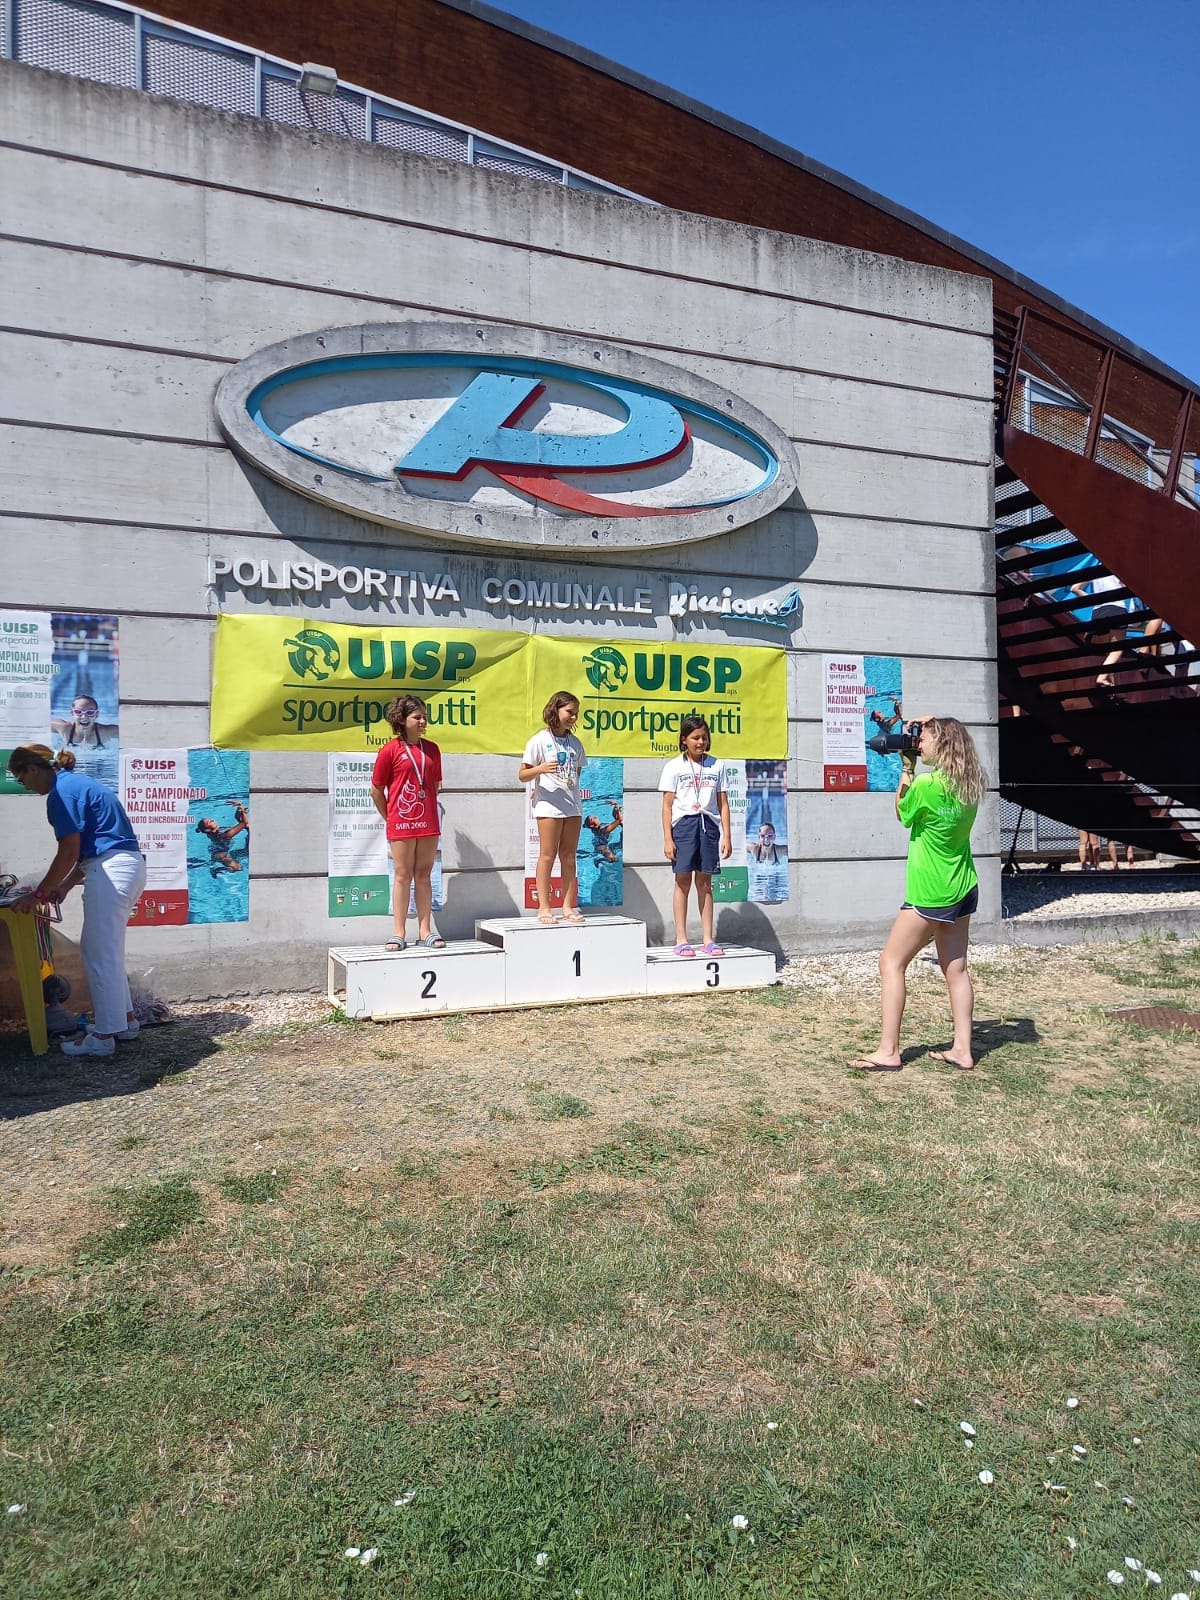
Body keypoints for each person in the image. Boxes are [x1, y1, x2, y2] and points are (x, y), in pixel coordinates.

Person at [848, 717, 987, 1073]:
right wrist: (928, 723)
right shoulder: (969, 784)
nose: (918, 743)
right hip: (963, 885)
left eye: (923, 738)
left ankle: (888, 1051)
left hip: (930, 891)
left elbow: (902, 812)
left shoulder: (925, 785)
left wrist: (907, 770)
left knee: (891, 963)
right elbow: (947, 733)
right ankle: (962, 1049)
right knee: (956, 969)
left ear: (942, 744)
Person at [7, 744, 146, 1057]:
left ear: (33, 768)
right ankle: (125, 1022)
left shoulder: (61, 793)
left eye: (21, 778)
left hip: (110, 871)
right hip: (126, 866)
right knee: (107, 952)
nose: (25, 786)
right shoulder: (79, 784)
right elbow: (90, 848)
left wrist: (38, 894)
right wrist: (65, 886)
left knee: (97, 953)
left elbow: (69, 851)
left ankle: (104, 1036)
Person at [370, 695, 444, 951]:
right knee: (402, 875)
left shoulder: (432, 749)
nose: (423, 721)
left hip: (428, 821)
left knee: (424, 875)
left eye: (425, 717)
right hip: (401, 823)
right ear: (402, 720)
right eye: (417, 717)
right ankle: (398, 932)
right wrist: (390, 817)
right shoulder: (390, 750)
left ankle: (425, 931)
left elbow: (435, 785)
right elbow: (376, 791)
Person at [658, 715, 732, 958]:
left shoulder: (717, 765)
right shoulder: (673, 767)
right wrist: (668, 838)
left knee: (705, 883)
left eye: (704, 737)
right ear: (684, 740)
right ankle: (681, 939)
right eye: (695, 737)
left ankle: (708, 939)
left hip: (708, 825)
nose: (701, 742)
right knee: (682, 881)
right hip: (684, 826)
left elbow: (723, 803)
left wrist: (727, 836)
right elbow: (667, 806)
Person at [519, 691, 586, 926]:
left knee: (568, 856)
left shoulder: (575, 743)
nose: (573, 717)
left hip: (572, 806)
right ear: (555, 710)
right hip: (548, 805)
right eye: (569, 712)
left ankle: (567, 906)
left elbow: (576, 774)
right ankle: (544, 907)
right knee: (547, 854)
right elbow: (523, 774)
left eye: (576, 713)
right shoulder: (538, 740)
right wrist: (541, 769)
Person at [50, 694, 119, 788]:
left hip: (98, 772)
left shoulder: (104, 732)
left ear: (96, 714)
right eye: (78, 712)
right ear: (72, 713)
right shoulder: (65, 729)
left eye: (90, 712)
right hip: (69, 772)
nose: (84, 717)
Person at [195, 803, 249, 872]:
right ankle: (218, 869)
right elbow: (244, 823)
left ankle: (215, 865)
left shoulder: (214, 832)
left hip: (217, 850)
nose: (212, 820)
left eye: (211, 819)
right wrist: (243, 812)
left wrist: (239, 809)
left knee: (245, 852)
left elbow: (240, 823)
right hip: (221, 855)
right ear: (207, 830)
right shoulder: (225, 835)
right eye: (209, 822)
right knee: (238, 868)